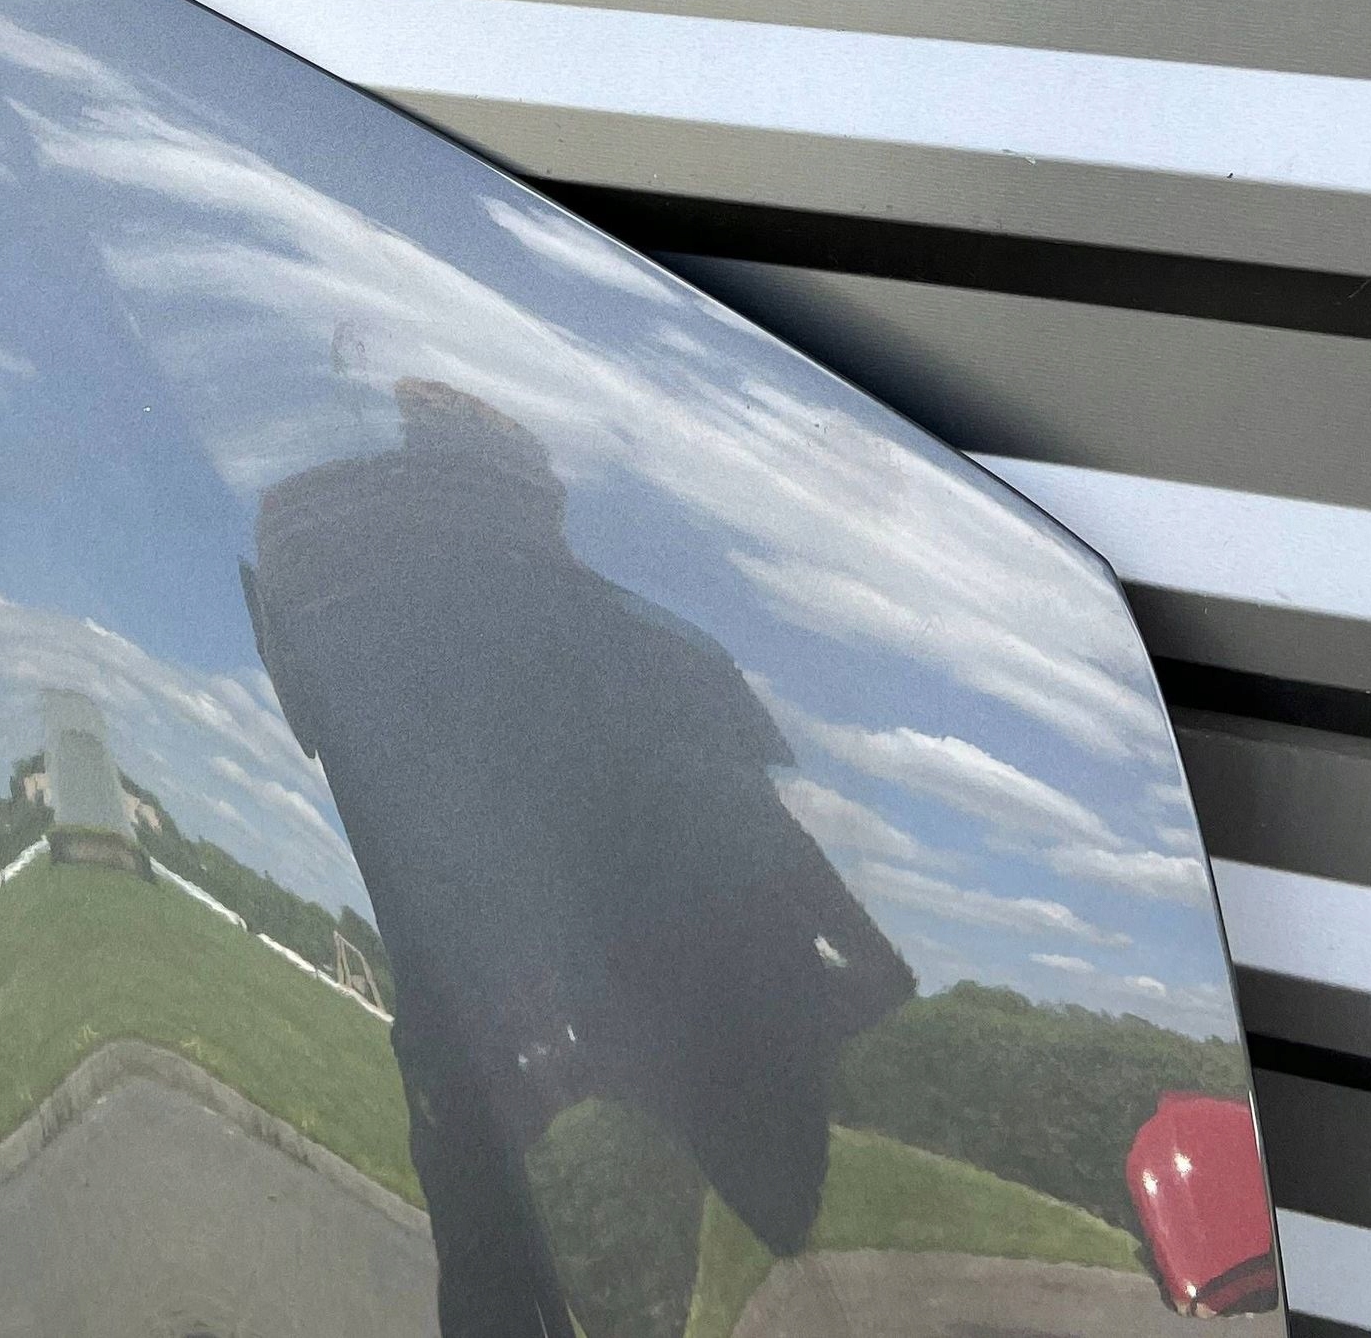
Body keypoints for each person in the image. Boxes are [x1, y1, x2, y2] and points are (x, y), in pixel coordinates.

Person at [243, 380, 913, 1336]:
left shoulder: (350, 614)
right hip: (595, 1055)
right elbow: (770, 844)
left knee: (502, 1268)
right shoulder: (650, 650)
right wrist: (869, 969)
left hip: (509, 1064)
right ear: (540, 502)